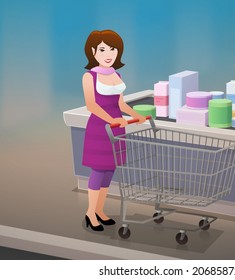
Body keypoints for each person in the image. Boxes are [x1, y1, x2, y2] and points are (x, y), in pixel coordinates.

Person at [82, 30, 146, 231]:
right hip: (100, 128)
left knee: (109, 170)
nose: (108, 53)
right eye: (102, 49)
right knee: (98, 171)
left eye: (113, 49)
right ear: (93, 51)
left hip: (116, 129)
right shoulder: (89, 77)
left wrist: (137, 115)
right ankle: (90, 213)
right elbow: (91, 105)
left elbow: (121, 103)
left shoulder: (117, 75)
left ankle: (100, 210)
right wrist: (113, 120)